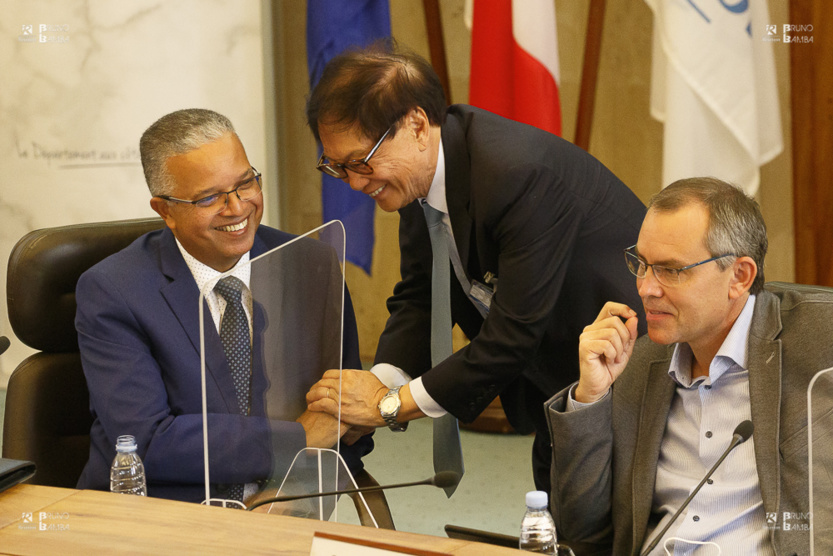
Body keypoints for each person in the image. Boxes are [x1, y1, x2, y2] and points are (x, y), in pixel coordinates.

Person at [304, 42, 646, 493]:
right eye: (337, 166)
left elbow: (513, 334)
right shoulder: (414, 178)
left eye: (360, 162)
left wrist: (389, 406)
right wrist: (376, 381)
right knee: (563, 522)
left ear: (417, 125)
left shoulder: (516, 174)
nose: (353, 182)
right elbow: (421, 296)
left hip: (631, 379)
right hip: (556, 386)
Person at [76, 109, 371, 503]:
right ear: (165, 211)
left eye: (246, 182)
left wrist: (289, 500)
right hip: (163, 514)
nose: (237, 208)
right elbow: (146, 443)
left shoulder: (311, 265)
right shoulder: (113, 290)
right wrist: (297, 438)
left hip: (286, 506)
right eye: (209, 197)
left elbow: (345, 422)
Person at [547, 177, 833, 555]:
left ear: (739, 276)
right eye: (642, 264)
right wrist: (591, 397)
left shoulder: (817, 339)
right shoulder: (637, 363)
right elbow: (581, 529)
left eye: (671, 270)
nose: (646, 287)